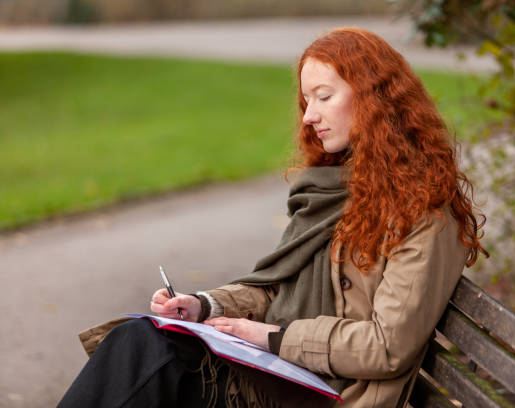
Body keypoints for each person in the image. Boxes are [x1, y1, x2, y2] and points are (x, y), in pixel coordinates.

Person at [58, 27, 487, 407]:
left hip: (329, 393)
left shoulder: (423, 213)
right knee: (143, 343)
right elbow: (277, 290)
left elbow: (387, 346)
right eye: (306, 100)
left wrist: (270, 337)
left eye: (324, 96)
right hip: (281, 379)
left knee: (145, 353)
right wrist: (203, 306)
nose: (308, 116)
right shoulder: (336, 190)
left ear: (374, 98)